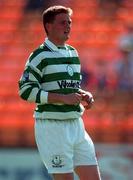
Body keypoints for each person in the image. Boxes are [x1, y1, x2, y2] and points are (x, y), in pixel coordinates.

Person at [18, 5, 101, 180]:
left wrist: (84, 94)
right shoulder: (39, 55)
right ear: (48, 26)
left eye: (69, 22)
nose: (68, 26)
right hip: (52, 127)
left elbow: (68, 87)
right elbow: (25, 90)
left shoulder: (72, 52)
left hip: (76, 124)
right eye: (63, 22)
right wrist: (63, 99)